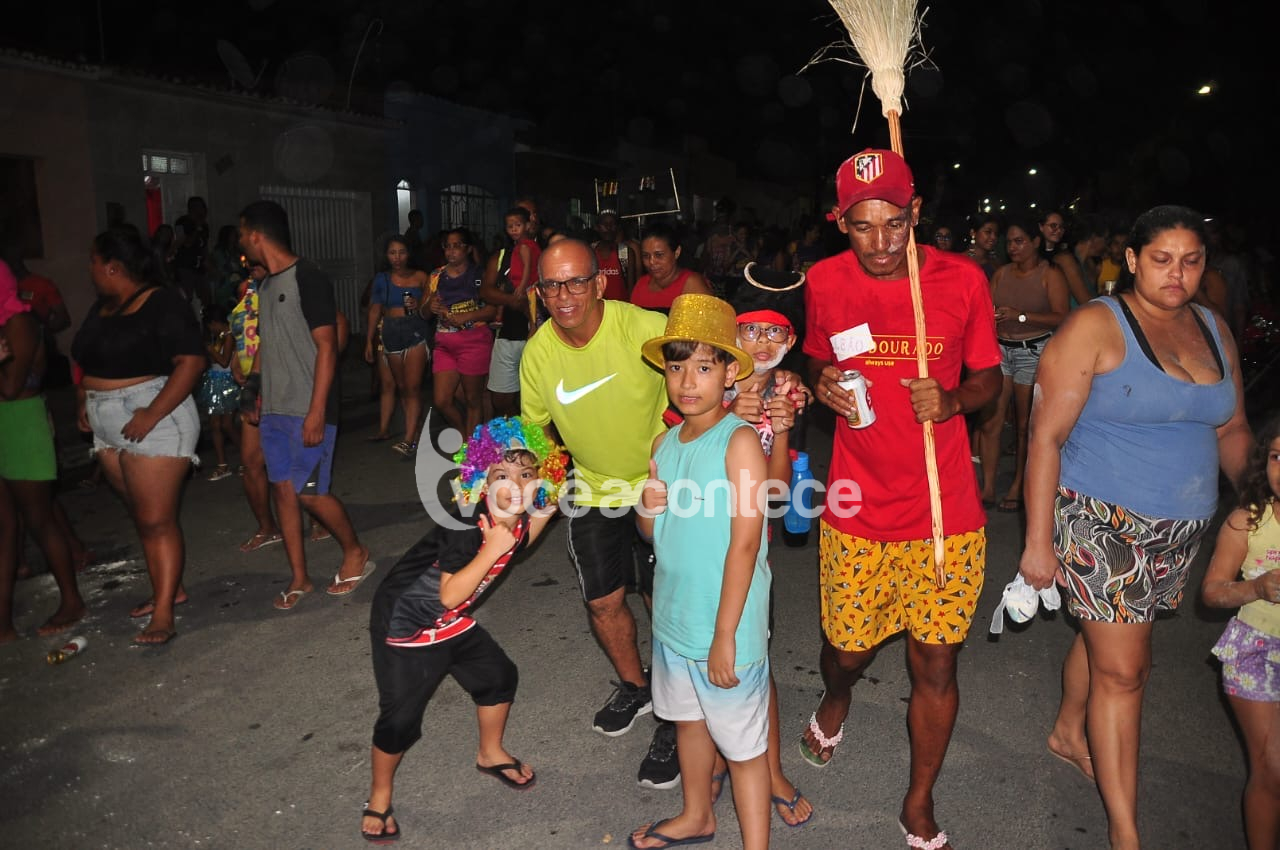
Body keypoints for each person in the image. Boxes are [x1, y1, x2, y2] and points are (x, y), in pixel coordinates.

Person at [1019, 205, 1252, 850]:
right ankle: (1127, 832)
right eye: (1162, 260)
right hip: (1101, 519)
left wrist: (1263, 500)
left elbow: (1232, 428)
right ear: (1131, 259)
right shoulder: (1096, 325)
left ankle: (1068, 730)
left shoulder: (1213, 327)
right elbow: (1045, 437)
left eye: (1192, 261)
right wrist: (1038, 543)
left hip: (1180, 531)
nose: (1178, 274)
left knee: (1113, 641)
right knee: (1126, 671)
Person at [802, 148, 1002, 850]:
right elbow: (816, 352)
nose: (881, 242)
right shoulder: (825, 280)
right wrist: (822, 378)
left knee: (936, 662)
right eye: (863, 226)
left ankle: (919, 799)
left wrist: (953, 401)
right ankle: (837, 695)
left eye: (894, 222)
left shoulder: (962, 279)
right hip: (857, 505)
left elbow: (989, 378)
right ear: (840, 222)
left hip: (944, 513)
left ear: (915, 213)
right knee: (847, 651)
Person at [519, 239, 680, 789]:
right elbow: (537, 434)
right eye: (551, 285)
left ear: (600, 283)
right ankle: (636, 688)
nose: (564, 295)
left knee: (666, 606)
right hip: (592, 489)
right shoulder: (538, 352)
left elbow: (701, 381)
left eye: (575, 281)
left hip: (662, 486)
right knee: (602, 601)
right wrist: (530, 489)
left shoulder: (644, 328)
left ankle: (676, 716)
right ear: (540, 292)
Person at [359, 417, 566, 844]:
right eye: (501, 476)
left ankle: (490, 753)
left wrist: (549, 503)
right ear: (478, 481)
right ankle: (379, 796)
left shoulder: (518, 514)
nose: (515, 485)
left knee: (498, 676)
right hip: (406, 624)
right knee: (400, 719)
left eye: (527, 474)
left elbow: (521, 542)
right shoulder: (469, 524)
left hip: (449, 621)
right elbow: (452, 594)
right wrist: (491, 548)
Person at [627, 294, 771, 849]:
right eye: (676, 366)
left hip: (723, 625)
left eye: (704, 367)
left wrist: (725, 635)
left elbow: (745, 544)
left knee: (743, 749)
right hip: (673, 619)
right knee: (688, 721)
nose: (688, 381)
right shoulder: (664, 443)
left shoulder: (738, 442)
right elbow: (652, 534)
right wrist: (646, 507)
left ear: (730, 373)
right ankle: (696, 815)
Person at [71, 227, 206, 645]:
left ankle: (164, 613)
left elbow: (191, 362)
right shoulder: (102, 307)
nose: (90, 269)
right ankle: (169, 588)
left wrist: (152, 413)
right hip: (108, 422)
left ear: (113, 266)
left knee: (155, 520)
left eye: (94, 261)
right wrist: (84, 400)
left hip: (154, 414)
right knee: (143, 516)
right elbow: (87, 360)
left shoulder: (163, 302)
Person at [237, 200, 372, 611]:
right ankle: (300, 577)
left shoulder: (307, 276)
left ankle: (355, 551)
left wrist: (317, 411)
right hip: (274, 409)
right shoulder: (265, 285)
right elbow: (268, 344)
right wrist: (253, 389)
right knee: (283, 490)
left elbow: (327, 346)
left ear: (256, 235)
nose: (240, 244)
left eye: (242, 235)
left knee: (310, 493)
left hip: (308, 406)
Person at [1202, 413, 1280, 850]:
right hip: (1256, 653)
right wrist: (1255, 587)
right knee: (1272, 770)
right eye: (1277, 457)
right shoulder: (1247, 522)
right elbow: (1212, 592)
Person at [0, 260, 87, 642]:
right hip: (6, 423)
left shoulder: (20, 322)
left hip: (21, 422)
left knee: (39, 520)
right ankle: (3, 623)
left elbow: (10, 387)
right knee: (6, 528)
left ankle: (72, 601)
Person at [976, 216, 1070, 512]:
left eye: (1019, 242)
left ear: (1035, 242)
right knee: (992, 419)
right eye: (1010, 242)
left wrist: (1020, 315)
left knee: (1024, 424)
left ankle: (1019, 484)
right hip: (1001, 350)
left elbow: (1061, 316)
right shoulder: (1001, 273)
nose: (1013, 247)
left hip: (1033, 351)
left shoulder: (1049, 274)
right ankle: (988, 486)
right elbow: (985, 309)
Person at [229, 261, 282, 553]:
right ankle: (267, 527)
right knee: (251, 462)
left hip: (282, 382)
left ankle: (318, 518)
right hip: (252, 385)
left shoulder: (285, 284)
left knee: (293, 457)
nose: (250, 263)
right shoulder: (245, 289)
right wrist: (236, 359)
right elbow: (242, 329)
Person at [363, 235, 432, 457]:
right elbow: (375, 309)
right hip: (391, 332)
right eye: (392, 253)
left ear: (409, 253)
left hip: (415, 331)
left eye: (401, 252)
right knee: (402, 387)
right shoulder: (382, 279)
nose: (397, 257)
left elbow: (431, 307)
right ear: (386, 255)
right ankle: (415, 428)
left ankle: (409, 439)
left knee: (412, 387)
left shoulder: (422, 277)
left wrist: (419, 303)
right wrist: (369, 340)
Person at [426, 228, 496, 442]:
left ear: (468, 249)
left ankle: (472, 448)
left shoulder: (479, 275)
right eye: (447, 246)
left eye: (457, 246)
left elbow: (492, 310)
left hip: (473, 341)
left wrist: (467, 316)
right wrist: (430, 306)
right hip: (444, 342)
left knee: (473, 399)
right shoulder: (436, 276)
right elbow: (422, 312)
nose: (451, 251)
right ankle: (466, 436)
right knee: (442, 400)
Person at [479, 227, 532, 418]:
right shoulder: (502, 257)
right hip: (508, 333)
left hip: (538, 335)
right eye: (512, 224)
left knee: (538, 399)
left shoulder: (545, 251)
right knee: (501, 399)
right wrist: (514, 300)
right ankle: (518, 430)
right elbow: (485, 292)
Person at [196, 304, 240, 481]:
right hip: (215, 381)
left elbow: (224, 361)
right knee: (215, 425)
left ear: (215, 322)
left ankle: (248, 457)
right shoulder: (221, 336)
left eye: (210, 326)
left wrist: (210, 350)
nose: (210, 330)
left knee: (227, 425)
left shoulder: (229, 336)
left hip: (227, 382)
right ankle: (222, 465)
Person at [631, 223, 712, 314]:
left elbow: (707, 320)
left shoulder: (692, 284)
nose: (651, 262)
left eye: (659, 255)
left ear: (677, 252)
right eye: (646, 256)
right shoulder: (641, 285)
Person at [593, 210, 640, 299]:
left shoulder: (626, 252)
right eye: (604, 224)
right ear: (597, 227)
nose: (608, 227)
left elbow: (631, 289)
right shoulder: (590, 252)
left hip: (621, 306)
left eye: (612, 224)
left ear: (617, 227)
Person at [964, 213, 1001, 280]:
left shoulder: (995, 262)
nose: (993, 237)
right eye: (988, 232)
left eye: (996, 233)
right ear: (973, 232)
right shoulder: (961, 260)